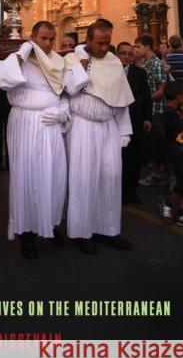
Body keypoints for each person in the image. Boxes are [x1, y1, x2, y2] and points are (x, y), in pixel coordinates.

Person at [0, 20, 89, 259]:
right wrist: (22, 52)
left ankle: (49, 224)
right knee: (28, 177)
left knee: (54, 175)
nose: (47, 43)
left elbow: (71, 91)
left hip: (51, 125)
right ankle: (27, 233)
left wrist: (61, 112)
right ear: (33, 36)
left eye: (51, 39)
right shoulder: (20, 58)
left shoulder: (58, 61)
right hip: (26, 123)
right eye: (43, 38)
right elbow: (4, 80)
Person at [64, 21, 134, 255]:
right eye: (100, 43)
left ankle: (109, 228)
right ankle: (83, 232)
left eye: (107, 42)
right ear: (89, 40)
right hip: (83, 127)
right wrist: (82, 61)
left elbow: (121, 99)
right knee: (84, 179)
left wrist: (124, 131)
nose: (105, 47)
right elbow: (69, 90)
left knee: (111, 177)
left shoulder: (114, 62)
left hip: (108, 128)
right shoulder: (74, 60)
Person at [159, 81, 183, 227]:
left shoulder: (176, 109)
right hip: (178, 151)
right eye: (182, 94)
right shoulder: (169, 113)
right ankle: (167, 204)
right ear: (178, 96)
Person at [117, 42, 152, 204]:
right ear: (117, 54)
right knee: (118, 157)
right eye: (123, 53)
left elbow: (146, 97)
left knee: (134, 157)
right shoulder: (110, 72)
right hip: (114, 120)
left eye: (129, 54)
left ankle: (131, 191)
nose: (126, 57)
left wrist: (147, 118)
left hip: (134, 119)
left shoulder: (139, 73)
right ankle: (118, 190)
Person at [133, 34, 167, 186]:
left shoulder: (156, 64)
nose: (136, 49)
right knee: (150, 145)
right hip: (148, 111)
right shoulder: (143, 64)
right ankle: (155, 171)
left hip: (156, 111)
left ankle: (157, 174)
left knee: (157, 145)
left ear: (147, 47)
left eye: (138, 46)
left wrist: (145, 102)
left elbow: (162, 90)